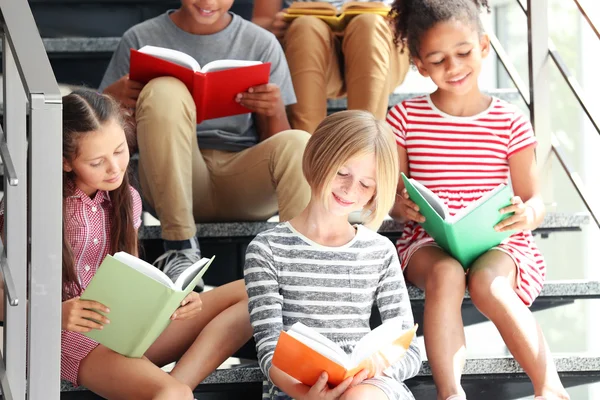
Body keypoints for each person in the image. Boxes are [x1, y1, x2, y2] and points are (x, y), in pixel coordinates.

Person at [0, 90, 252, 399]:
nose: (115, 168)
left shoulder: (127, 199)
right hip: (66, 337)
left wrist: (172, 303)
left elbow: (129, 277)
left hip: (123, 329)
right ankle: (170, 391)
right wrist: (52, 313)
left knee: (251, 292)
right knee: (172, 395)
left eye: (120, 151)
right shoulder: (30, 206)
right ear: (66, 162)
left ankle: (175, 386)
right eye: (97, 162)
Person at [385, 1, 569, 399]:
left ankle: (550, 388)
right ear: (420, 65)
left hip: (498, 239)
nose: (453, 67)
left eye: (463, 53)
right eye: (438, 59)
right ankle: (451, 393)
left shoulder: (510, 120)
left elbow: (534, 199)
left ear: (484, 46)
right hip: (427, 240)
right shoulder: (403, 119)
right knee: (446, 275)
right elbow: (392, 199)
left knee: (490, 285)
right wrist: (404, 208)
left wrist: (526, 214)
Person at [99, 0, 311, 287]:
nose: (210, 2)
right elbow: (117, 149)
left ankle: (299, 266)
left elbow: (277, 143)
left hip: (243, 180)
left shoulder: (262, 43)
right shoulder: (139, 38)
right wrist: (111, 102)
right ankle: (179, 248)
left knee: (299, 141)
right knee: (164, 91)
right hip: (171, 178)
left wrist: (273, 111)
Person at [244, 110, 422, 400]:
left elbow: (410, 349)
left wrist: (375, 369)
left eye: (366, 184)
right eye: (342, 173)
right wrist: (305, 394)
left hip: (371, 388)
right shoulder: (267, 249)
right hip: (298, 390)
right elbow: (269, 349)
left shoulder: (378, 251)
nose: (350, 189)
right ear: (317, 159)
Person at [252, 0, 410, 134]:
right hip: (308, 49)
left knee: (369, 24)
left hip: (380, 45)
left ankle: (366, 150)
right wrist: (273, 25)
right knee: (305, 26)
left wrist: (405, 23)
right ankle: (307, 152)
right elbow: (261, 21)